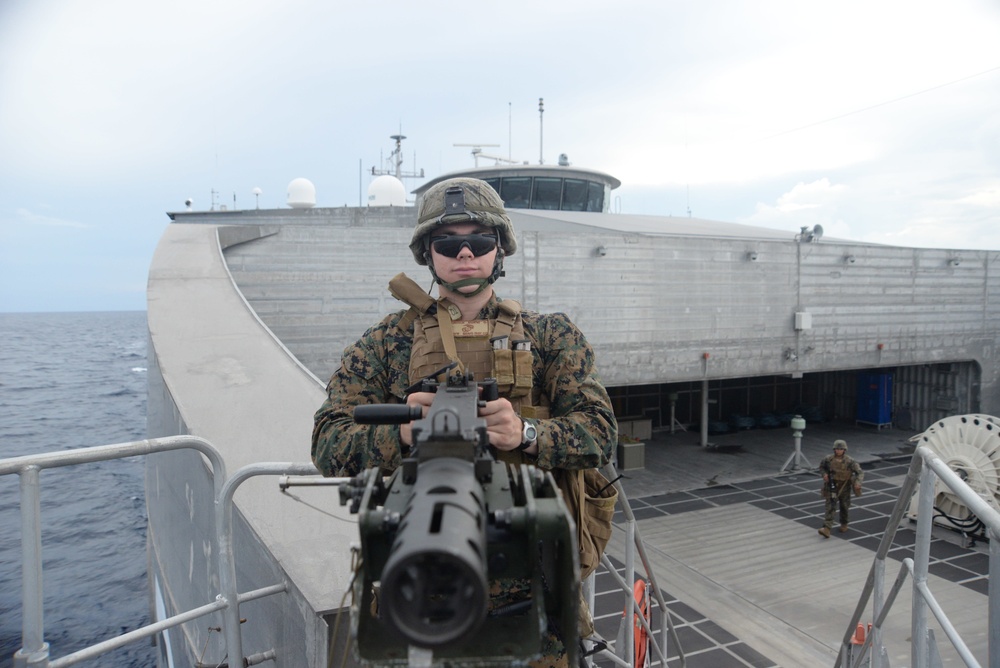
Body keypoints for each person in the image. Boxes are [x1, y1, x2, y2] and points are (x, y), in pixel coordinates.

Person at [312, 177, 618, 666]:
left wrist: (526, 432)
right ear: (427, 254)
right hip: (423, 592)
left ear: (499, 250)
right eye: (448, 243)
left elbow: (600, 432)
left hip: (536, 593)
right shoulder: (386, 344)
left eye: (479, 241)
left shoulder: (549, 335)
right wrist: (406, 431)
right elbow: (328, 442)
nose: (465, 254)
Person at [818, 439, 863, 538]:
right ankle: (827, 528)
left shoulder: (850, 461)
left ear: (844, 450)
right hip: (832, 486)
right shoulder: (828, 459)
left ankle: (844, 523)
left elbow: (859, 472)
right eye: (837, 449)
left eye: (841, 449)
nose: (838, 451)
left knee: (844, 507)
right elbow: (822, 467)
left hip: (844, 487)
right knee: (830, 507)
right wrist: (824, 474)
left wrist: (857, 483)